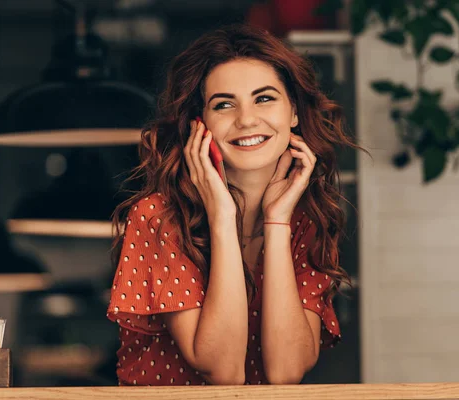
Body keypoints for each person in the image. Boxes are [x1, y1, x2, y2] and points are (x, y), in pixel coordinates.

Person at [106, 23, 362, 386]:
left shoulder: (306, 219)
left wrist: (277, 223)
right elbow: (223, 371)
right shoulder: (158, 216)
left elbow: (286, 372)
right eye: (224, 104)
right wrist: (222, 217)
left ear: (293, 113)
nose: (245, 119)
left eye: (264, 98)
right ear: (201, 124)